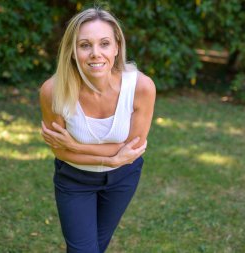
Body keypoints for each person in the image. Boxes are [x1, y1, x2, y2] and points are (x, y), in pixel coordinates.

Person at [39, 7, 156, 253]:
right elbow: (61, 152)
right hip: (74, 179)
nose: (96, 54)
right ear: (72, 51)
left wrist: (77, 146)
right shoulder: (53, 91)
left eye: (104, 43)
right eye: (85, 45)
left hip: (123, 179)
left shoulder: (141, 87)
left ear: (117, 47)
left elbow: (132, 148)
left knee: (97, 247)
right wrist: (111, 157)